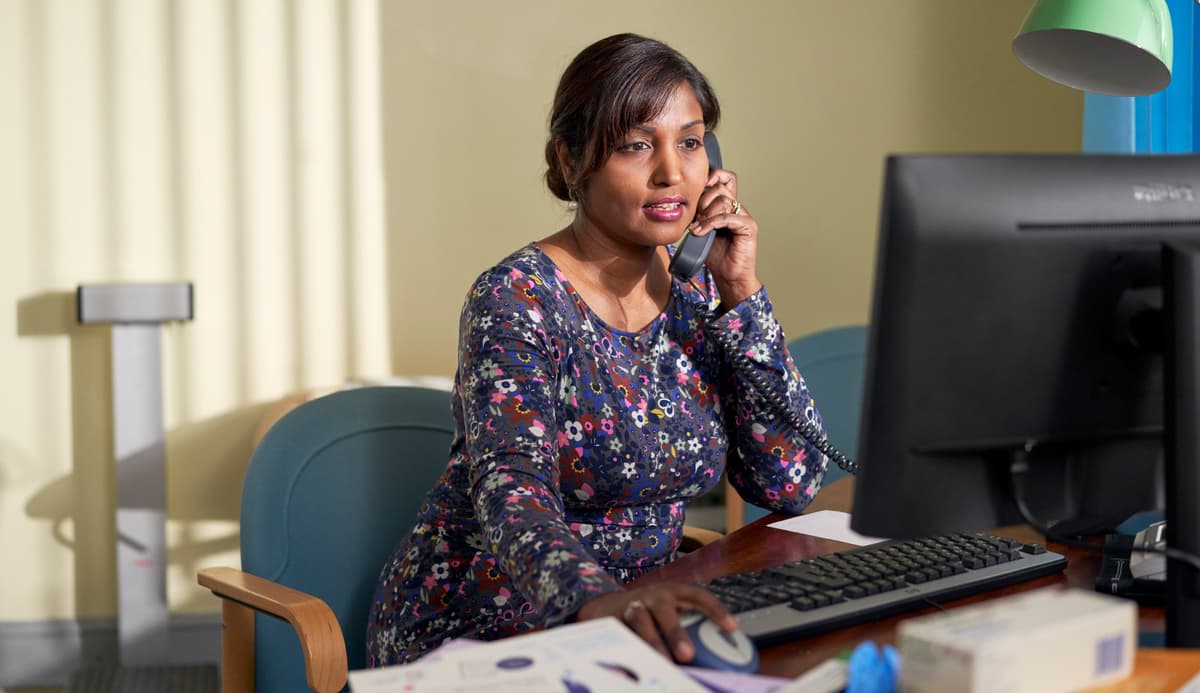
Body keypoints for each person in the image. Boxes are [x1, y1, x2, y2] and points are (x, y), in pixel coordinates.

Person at [366, 32, 831, 667]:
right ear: (570, 160)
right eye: (637, 145)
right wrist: (601, 603)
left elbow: (790, 481)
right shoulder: (517, 297)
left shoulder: (697, 294)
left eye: (690, 143)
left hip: (642, 621)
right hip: (493, 626)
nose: (672, 172)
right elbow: (513, 492)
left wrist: (741, 292)